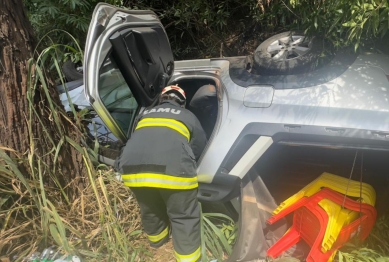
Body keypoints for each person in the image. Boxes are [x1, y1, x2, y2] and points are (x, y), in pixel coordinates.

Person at [115, 85, 207, 262]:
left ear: (161, 99)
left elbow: (135, 139)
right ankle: (189, 258)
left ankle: (157, 243)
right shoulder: (188, 116)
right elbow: (199, 145)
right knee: (183, 215)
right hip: (173, 172)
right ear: (182, 103)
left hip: (133, 171)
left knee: (149, 208)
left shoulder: (144, 114)